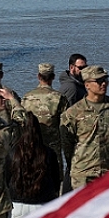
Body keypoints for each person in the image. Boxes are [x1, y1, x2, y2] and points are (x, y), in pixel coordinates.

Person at [60, 65, 109, 191]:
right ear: (87, 85)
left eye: (105, 80)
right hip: (83, 174)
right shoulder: (73, 113)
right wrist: (76, 164)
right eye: (98, 81)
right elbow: (67, 145)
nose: (104, 84)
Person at [21, 63, 69, 193]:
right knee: (54, 184)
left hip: (32, 146)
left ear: (38, 76)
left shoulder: (27, 97)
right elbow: (65, 125)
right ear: (53, 77)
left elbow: (22, 122)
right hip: (53, 147)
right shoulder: (59, 98)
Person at [6, 111, 60, 218]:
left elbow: (6, 179)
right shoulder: (48, 153)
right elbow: (56, 181)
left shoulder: (13, 154)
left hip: (17, 205)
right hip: (43, 204)